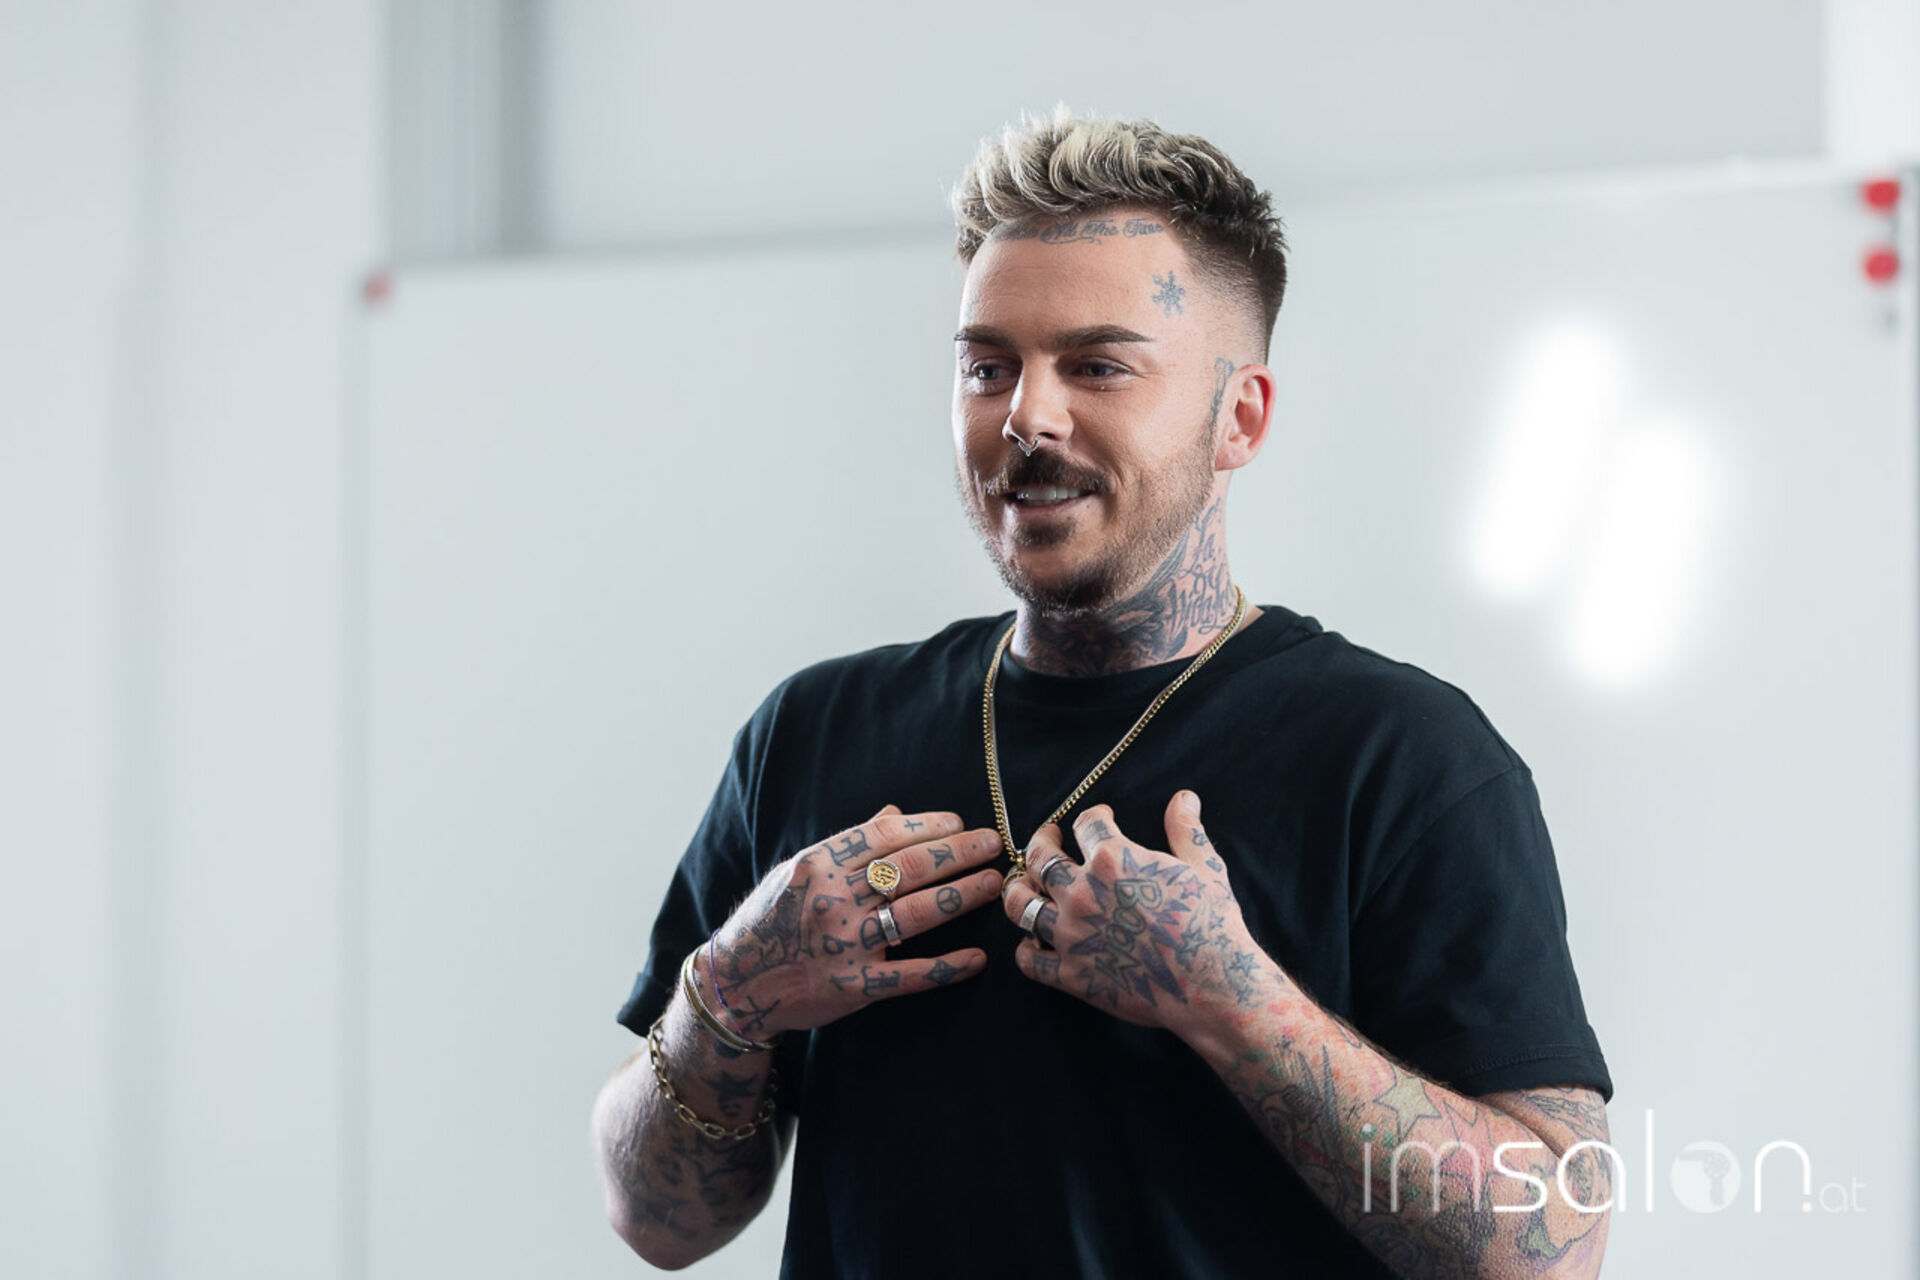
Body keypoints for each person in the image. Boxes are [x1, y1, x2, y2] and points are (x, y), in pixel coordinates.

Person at [591, 105, 1615, 1279]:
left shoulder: (1405, 759)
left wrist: (1235, 1002)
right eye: (988, 366)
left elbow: (1555, 1244)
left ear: (1240, 417)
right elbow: (657, 1221)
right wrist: (726, 992)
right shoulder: (811, 733)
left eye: (1097, 365)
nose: (1025, 415)